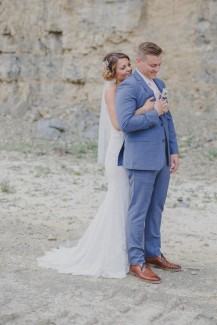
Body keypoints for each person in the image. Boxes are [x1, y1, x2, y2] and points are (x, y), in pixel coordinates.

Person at [37, 52, 154, 278]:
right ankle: (112, 255)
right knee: (118, 200)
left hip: (131, 152)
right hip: (117, 153)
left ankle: (133, 254)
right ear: (112, 72)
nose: (128, 69)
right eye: (122, 67)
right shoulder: (111, 91)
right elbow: (119, 125)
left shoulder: (131, 87)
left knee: (128, 202)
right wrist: (145, 110)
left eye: (129, 65)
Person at [116, 42, 181, 284]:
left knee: (157, 208)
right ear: (139, 61)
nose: (157, 69)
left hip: (162, 157)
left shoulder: (160, 84)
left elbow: (169, 120)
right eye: (152, 65)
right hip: (141, 159)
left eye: (159, 65)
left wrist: (173, 151)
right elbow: (126, 125)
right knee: (138, 210)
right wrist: (153, 112)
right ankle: (137, 261)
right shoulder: (128, 87)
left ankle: (152, 253)